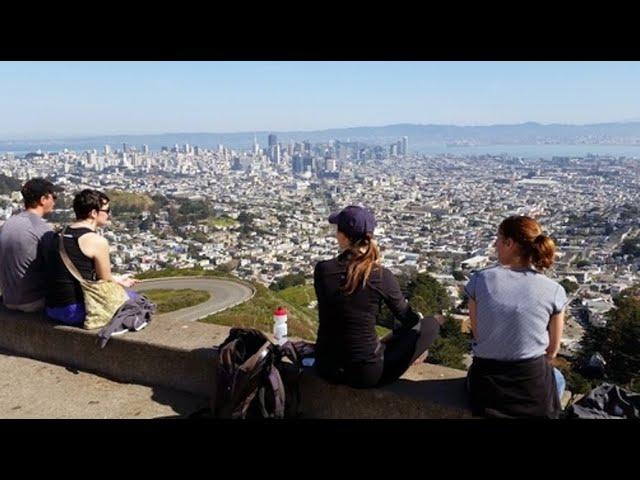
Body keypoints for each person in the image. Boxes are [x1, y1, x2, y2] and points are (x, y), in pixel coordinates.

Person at [313, 205, 441, 389]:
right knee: (430, 324)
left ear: (342, 237)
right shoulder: (380, 276)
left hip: (326, 367)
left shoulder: (322, 270)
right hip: (365, 374)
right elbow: (409, 320)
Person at [465, 215, 568, 418]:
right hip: (531, 384)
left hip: (486, 384)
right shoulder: (554, 290)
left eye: (498, 239)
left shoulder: (480, 280)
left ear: (509, 243)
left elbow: (479, 335)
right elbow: (552, 351)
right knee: (557, 379)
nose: (495, 245)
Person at [43, 189, 138, 326]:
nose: (109, 215)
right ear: (93, 213)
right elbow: (105, 280)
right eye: (107, 210)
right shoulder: (96, 241)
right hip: (74, 311)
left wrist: (117, 279)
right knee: (137, 301)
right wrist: (120, 281)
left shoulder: (57, 234)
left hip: (51, 308)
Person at [0, 178, 60, 312]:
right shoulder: (42, 229)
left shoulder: (8, 223)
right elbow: (54, 267)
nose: (54, 201)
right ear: (43, 199)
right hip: (32, 301)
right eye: (53, 197)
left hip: (8, 299)